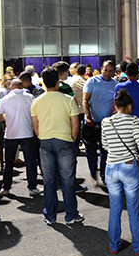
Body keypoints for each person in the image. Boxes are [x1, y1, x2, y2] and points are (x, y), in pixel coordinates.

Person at [101, 89, 139, 255]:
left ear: (115, 106)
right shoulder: (133, 121)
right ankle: (138, 246)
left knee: (115, 209)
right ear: (130, 106)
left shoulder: (106, 122)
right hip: (129, 167)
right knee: (132, 209)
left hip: (110, 168)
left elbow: (105, 145)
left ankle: (114, 245)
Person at [31, 68, 84, 225]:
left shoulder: (36, 101)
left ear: (44, 83)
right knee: (67, 180)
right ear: (57, 82)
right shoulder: (68, 99)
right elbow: (75, 124)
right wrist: (72, 139)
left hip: (45, 141)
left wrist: (42, 137)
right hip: (65, 141)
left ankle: (50, 215)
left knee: (48, 180)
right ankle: (71, 215)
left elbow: (35, 125)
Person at [0, 79, 41, 197]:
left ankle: (6, 187)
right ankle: (32, 187)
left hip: (11, 134)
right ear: (22, 86)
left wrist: (8, 116)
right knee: (30, 162)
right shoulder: (30, 97)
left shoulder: (5, 99)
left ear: (12, 87)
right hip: (27, 133)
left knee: (9, 162)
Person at [114, 62, 139, 187]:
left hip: (123, 126)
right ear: (138, 73)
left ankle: (127, 182)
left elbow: (116, 105)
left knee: (126, 155)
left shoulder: (119, 87)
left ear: (126, 73)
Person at [83, 60, 117, 186]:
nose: (107, 73)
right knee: (91, 151)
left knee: (105, 151)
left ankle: (103, 175)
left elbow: (116, 105)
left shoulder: (116, 84)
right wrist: (88, 117)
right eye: (105, 70)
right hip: (92, 123)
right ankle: (93, 174)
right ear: (101, 69)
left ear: (114, 72)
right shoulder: (92, 81)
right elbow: (85, 101)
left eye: (110, 71)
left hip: (107, 124)